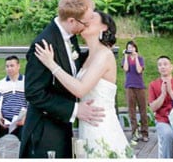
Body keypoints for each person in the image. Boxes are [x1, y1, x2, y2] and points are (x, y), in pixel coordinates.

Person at [34, 9, 132, 158]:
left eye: (92, 18)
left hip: (101, 124)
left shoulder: (104, 54)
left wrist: (51, 64)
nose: (85, 20)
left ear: (104, 27)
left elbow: (80, 89)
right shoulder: (86, 56)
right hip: (87, 123)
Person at [19, 0, 105, 158]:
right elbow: (34, 93)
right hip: (44, 133)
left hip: (62, 126)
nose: (87, 26)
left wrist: (100, 53)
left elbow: (73, 65)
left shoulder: (70, 36)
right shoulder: (43, 44)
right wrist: (74, 109)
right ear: (72, 20)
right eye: (86, 23)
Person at [148, 55, 173, 158]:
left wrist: (170, 91)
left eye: (165, 64)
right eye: (160, 65)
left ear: (171, 67)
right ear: (158, 69)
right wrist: (163, 94)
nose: (162, 67)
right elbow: (153, 108)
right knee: (168, 134)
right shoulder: (153, 85)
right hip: (162, 120)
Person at [122, 39, 149, 142]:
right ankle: (134, 133)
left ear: (135, 48)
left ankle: (145, 133)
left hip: (140, 86)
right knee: (131, 111)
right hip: (129, 86)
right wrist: (125, 56)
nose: (130, 49)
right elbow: (125, 69)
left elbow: (139, 70)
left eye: (132, 47)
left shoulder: (140, 58)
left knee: (143, 110)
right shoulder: (126, 59)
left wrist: (136, 57)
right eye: (129, 47)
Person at [0, 55, 27, 139]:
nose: (9, 68)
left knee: (26, 131)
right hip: (6, 120)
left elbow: (30, 103)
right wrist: (0, 118)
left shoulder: (26, 82)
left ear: (18, 66)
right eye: (7, 66)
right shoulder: (1, 83)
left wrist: (24, 118)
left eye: (12, 66)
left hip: (21, 119)